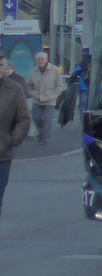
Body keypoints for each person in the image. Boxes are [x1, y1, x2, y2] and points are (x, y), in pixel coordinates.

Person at [0, 53, 32, 217]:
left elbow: (23, 119)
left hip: (2, 154)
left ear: (5, 67)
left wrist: (11, 141)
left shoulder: (14, 89)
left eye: (0, 65)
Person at [29, 52, 66, 145]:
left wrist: (53, 95)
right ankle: (42, 133)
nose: (40, 61)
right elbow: (29, 86)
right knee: (36, 118)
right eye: (38, 59)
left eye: (42, 59)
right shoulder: (33, 71)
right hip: (37, 99)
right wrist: (34, 93)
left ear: (46, 59)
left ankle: (45, 138)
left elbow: (60, 86)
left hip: (50, 99)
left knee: (47, 119)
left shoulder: (54, 70)